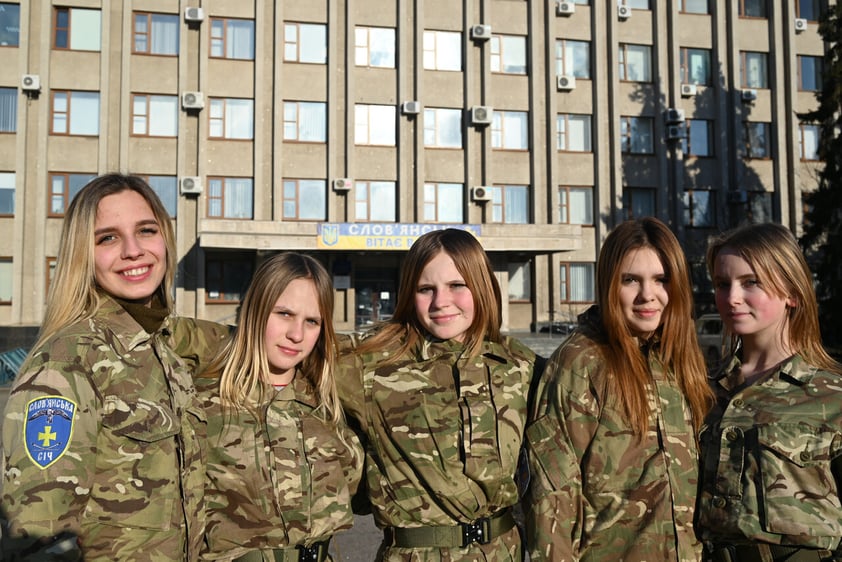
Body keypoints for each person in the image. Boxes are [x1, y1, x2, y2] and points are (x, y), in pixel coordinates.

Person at [0, 173, 229, 561]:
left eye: (146, 230)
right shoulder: (66, 363)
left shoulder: (160, 346)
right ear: (82, 255)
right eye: (108, 237)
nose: (133, 250)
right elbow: (40, 534)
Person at [336, 227, 538, 561]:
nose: (440, 301)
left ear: (482, 286)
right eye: (425, 289)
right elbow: (271, 345)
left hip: (502, 553)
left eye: (457, 286)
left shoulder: (520, 366)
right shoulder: (370, 364)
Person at [524, 217, 713, 561]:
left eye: (661, 280)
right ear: (610, 284)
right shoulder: (581, 363)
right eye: (630, 280)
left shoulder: (678, 359)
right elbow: (551, 499)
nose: (647, 295)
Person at [196, 252, 363, 562]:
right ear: (256, 310)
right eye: (284, 313)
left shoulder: (327, 406)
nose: (296, 335)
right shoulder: (203, 404)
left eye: (312, 321)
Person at [696, 222, 842, 562]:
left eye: (751, 282)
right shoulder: (702, 392)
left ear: (791, 292)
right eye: (722, 284)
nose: (732, 297)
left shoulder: (831, 395)